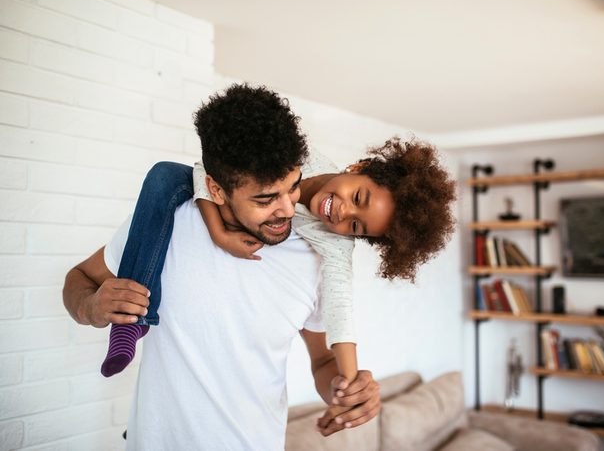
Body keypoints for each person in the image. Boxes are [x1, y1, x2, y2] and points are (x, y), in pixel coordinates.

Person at [63, 84, 381, 449]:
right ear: (215, 189)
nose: (288, 210)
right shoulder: (170, 223)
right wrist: (92, 306)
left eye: (292, 188)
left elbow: (323, 360)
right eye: (265, 199)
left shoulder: (317, 259)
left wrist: (348, 390)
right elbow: (80, 279)